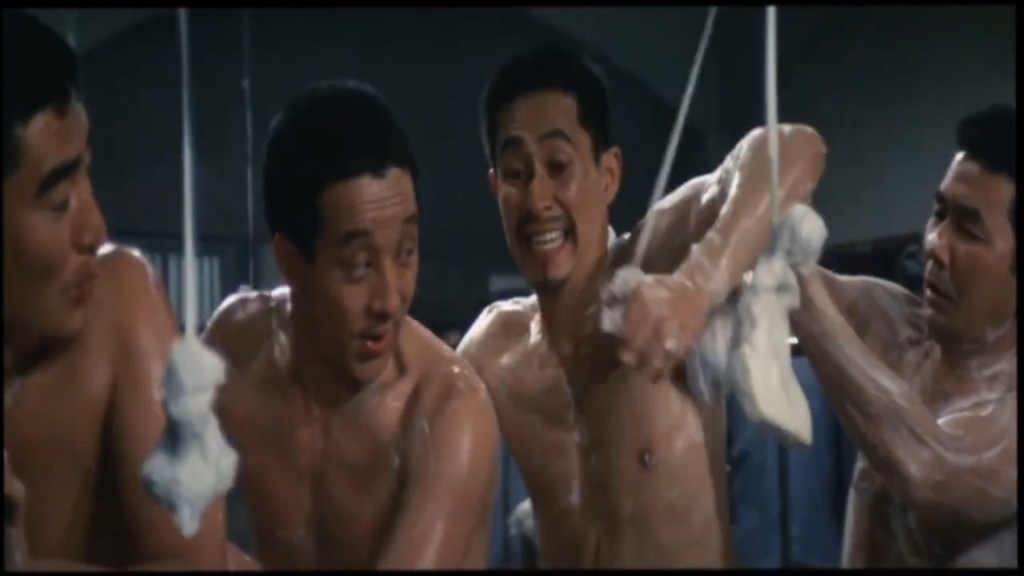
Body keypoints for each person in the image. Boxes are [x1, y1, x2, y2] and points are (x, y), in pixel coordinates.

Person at [457, 45, 827, 567]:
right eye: (517, 173)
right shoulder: (494, 352)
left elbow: (794, 149)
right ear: (496, 188)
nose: (537, 200)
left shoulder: (656, 263)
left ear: (608, 174)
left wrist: (695, 288)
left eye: (558, 166)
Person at [203, 80, 500, 569]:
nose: (391, 299)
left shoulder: (446, 409)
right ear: (291, 262)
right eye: (360, 265)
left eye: (406, 253)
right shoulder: (235, 347)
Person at [2, 10, 231, 569]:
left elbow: (196, 565)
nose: (95, 229)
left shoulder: (122, 303)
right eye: (60, 201)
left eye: (87, 173)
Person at [791, 104, 1017, 568]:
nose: (934, 244)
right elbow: (760, 275)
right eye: (939, 214)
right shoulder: (893, 325)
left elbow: (930, 474)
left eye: (969, 230)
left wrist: (795, 290)